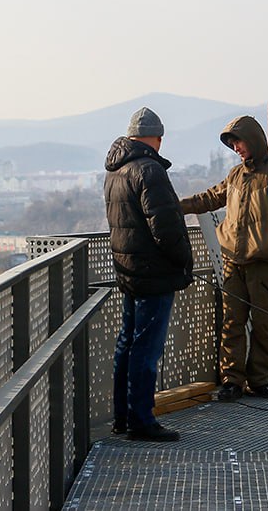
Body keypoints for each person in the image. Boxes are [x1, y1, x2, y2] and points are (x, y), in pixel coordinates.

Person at [180, 116, 268, 401]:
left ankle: (260, 381)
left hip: (266, 264)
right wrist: (176, 207)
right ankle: (232, 381)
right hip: (233, 262)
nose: (236, 147)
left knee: (263, 325)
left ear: (254, 140)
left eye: (238, 141)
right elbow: (211, 198)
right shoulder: (236, 175)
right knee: (232, 323)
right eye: (232, 143)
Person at [104, 107, 194, 442]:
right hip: (154, 274)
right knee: (146, 349)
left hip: (128, 271)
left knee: (127, 344)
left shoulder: (115, 171)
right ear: (157, 138)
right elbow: (166, 227)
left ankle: (123, 418)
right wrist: (184, 262)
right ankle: (142, 420)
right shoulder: (149, 170)